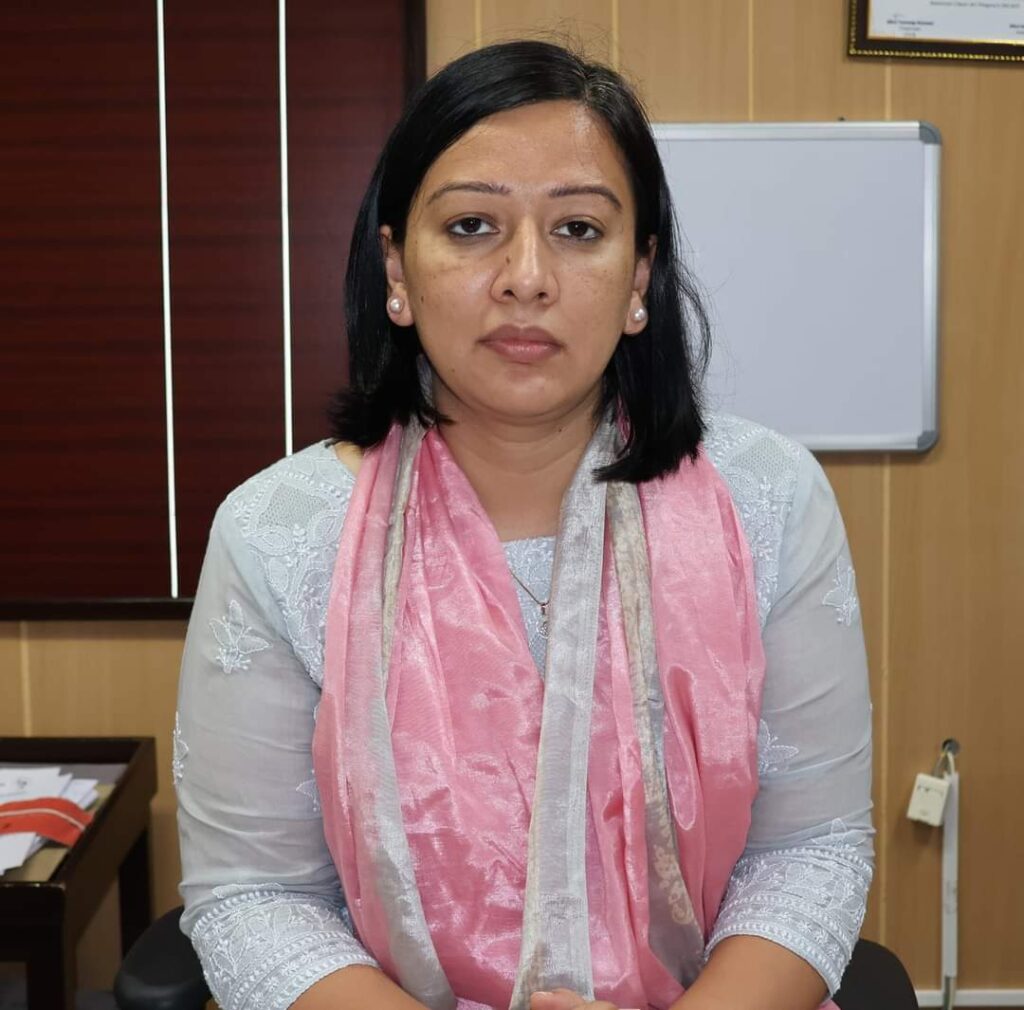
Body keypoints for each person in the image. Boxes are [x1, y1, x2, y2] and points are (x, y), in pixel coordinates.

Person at [174, 40, 873, 1010]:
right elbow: (254, 895)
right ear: (396, 268)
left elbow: (810, 848)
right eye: (472, 226)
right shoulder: (278, 533)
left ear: (640, 275)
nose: (526, 277)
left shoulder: (767, 499)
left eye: (579, 229)